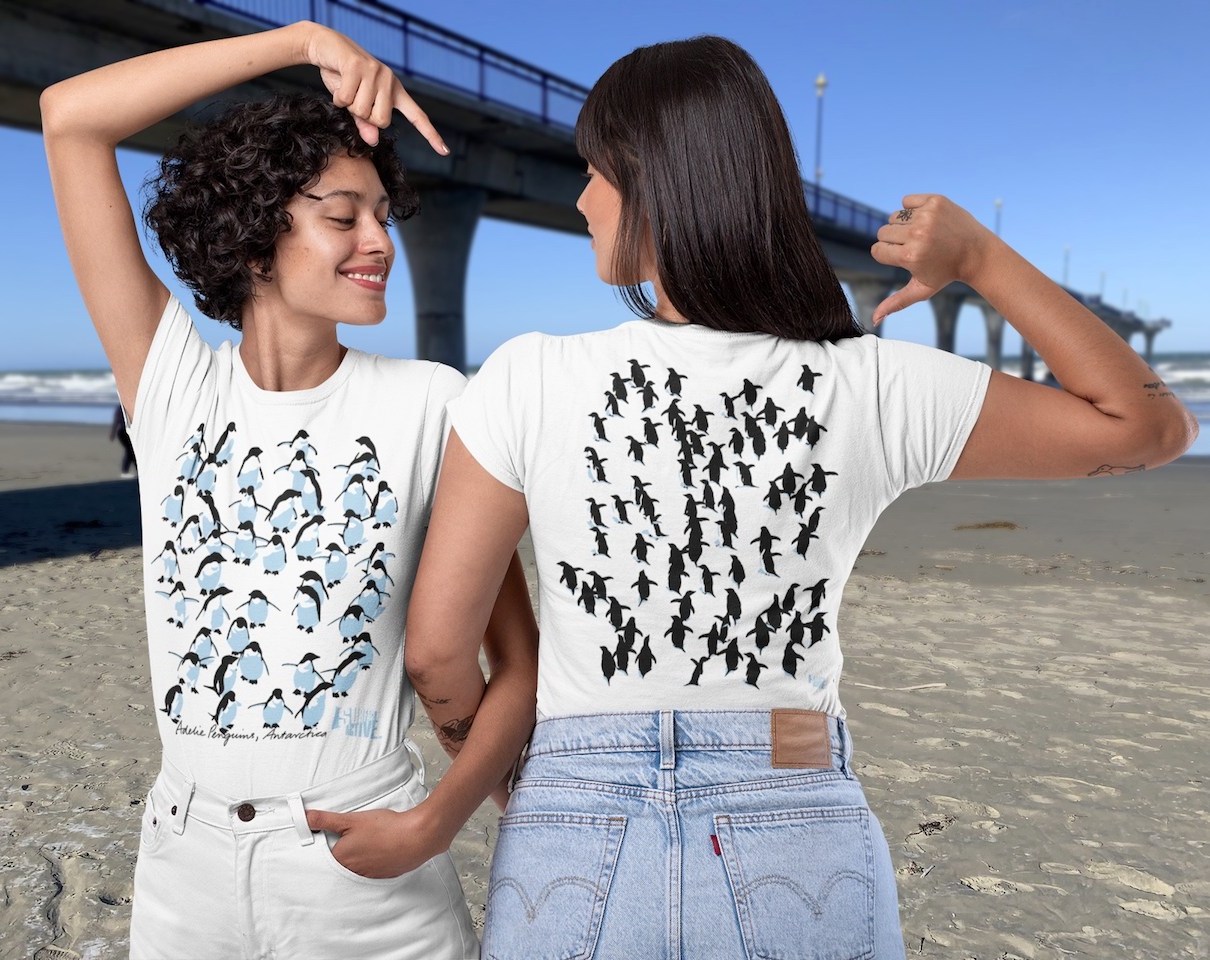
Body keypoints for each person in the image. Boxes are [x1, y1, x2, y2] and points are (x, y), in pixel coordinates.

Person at [370, 35, 1198, 958]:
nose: (581, 199)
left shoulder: (526, 377)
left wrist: (536, 790)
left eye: (595, 172)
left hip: (572, 814)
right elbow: (1146, 428)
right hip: (793, 799)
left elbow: (438, 651)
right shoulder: (868, 384)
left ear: (652, 179)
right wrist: (981, 257)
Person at [40, 20, 536, 960]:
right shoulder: (172, 383)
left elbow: (516, 661)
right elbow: (71, 119)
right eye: (343, 217)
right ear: (255, 238)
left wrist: (436, 823)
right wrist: (304, 41)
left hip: (369, 871)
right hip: (182, 867)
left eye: (384, 215)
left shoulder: (434, 404)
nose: (378, 241)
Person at [110, 404, 137, 477]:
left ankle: (128, 470)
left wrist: (113, 433)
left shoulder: (121, 407)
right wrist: (112, 433)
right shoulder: (125, 407)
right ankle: (125, 471)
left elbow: (116, 421)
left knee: (130, 451)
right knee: (130, 451)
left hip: (122, 431)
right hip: (123, 432)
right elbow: (117, 421)